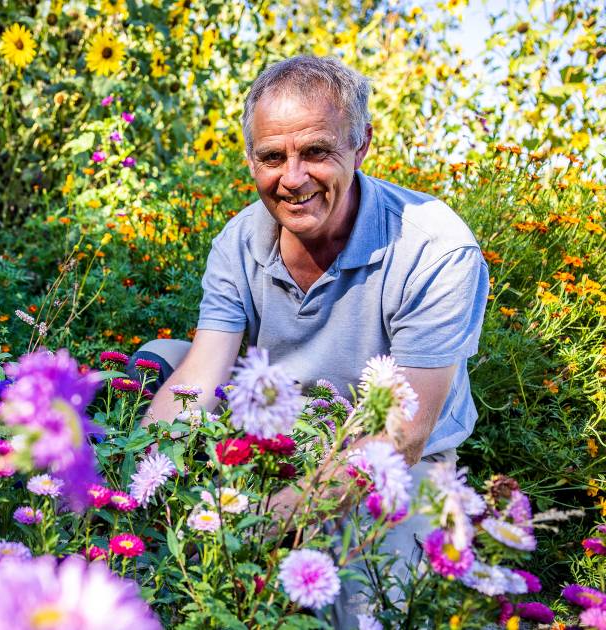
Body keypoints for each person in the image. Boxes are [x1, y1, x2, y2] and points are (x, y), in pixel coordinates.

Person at [129, 55, 489, 627]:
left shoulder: (435, 248)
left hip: (388, 453)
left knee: (375, 603)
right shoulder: (241, 238)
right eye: (272, 157)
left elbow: (404, 432)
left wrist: (261, 524)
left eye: (316, 151)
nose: (291, 179)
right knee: (162, 371)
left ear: (362, 145)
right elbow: (204, 370)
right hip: (276, 424)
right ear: (251, 158)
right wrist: (135, 491)